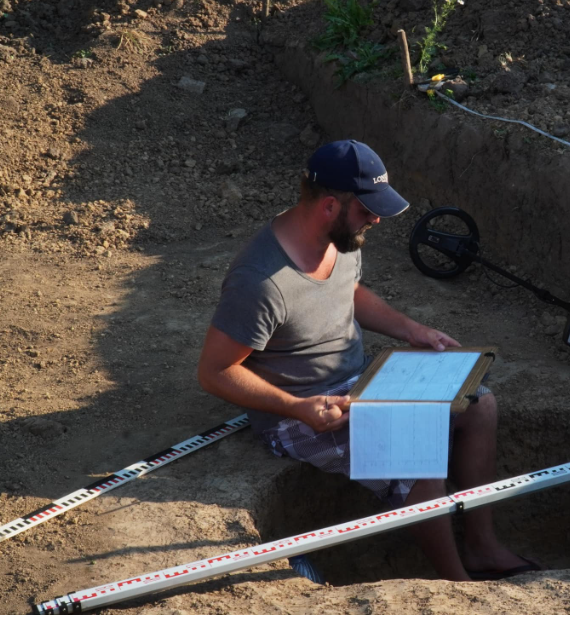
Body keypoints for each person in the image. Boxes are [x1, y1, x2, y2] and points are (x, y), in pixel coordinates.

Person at [197, 139, 540, 581]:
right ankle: (458, 584)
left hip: (364, 380)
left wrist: (413, 330)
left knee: (480, 404)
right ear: (328, 206)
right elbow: (214, 371)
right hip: (301, 412)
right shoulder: (260, 282)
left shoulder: (340, 237)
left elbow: (349, 292)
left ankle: (482, 546)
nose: (376, 219)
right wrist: (295, 407)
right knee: (417, 457)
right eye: (367, 209)